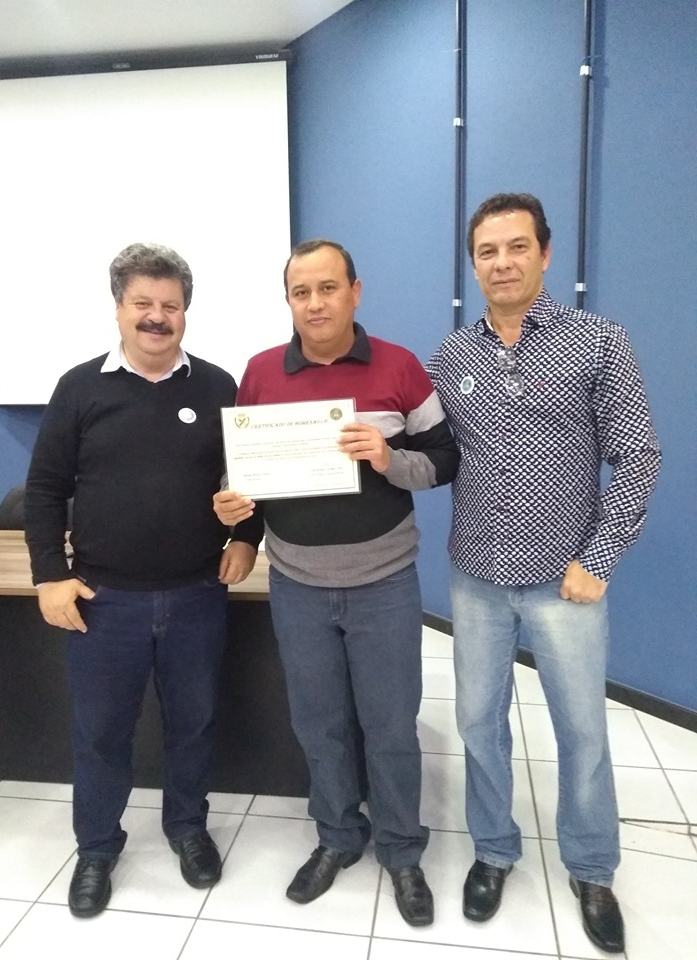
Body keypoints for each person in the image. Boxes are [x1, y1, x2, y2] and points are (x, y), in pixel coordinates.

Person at [426, 193, 661, 954]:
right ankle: (494, 850)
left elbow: (638, 456)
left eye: (517, 247)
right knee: (477, 722)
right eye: (487, 251)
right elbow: (415, 441)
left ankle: (591, 868)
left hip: (566, 580)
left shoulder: (598, 341)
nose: (502, 263)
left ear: (545, 253)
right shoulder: (450, 357)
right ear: (474, 264)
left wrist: (600, 558)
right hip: (476, 575)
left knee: (582, 730)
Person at [214, 239, 458, 927]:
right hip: (297, 584)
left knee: (389, 725)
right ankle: (338, 837)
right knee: (318, 724)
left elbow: (444, 459)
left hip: (384, 582)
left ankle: (402, 850)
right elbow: (245, 471)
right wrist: (236, 516)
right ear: (288, 301)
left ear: (355, 291)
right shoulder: (261, 372)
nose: (315, 303)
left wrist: (388, 459)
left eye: (328, 288)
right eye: (301, 292)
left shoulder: (401, 367)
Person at [24, 242, 261, 918]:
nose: (157, 317)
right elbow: (44, 490)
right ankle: (97, 848)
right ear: (119, 308)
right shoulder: (79, 388)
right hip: (104, 602)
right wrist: (50, 576)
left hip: (196, 595)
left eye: (171, 306)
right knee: (101, 733)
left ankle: (187, 828)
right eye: (143, 304)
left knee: (194, 724)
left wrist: (246, 538)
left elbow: (252, 479)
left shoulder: (218, 386)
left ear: (186, 312)